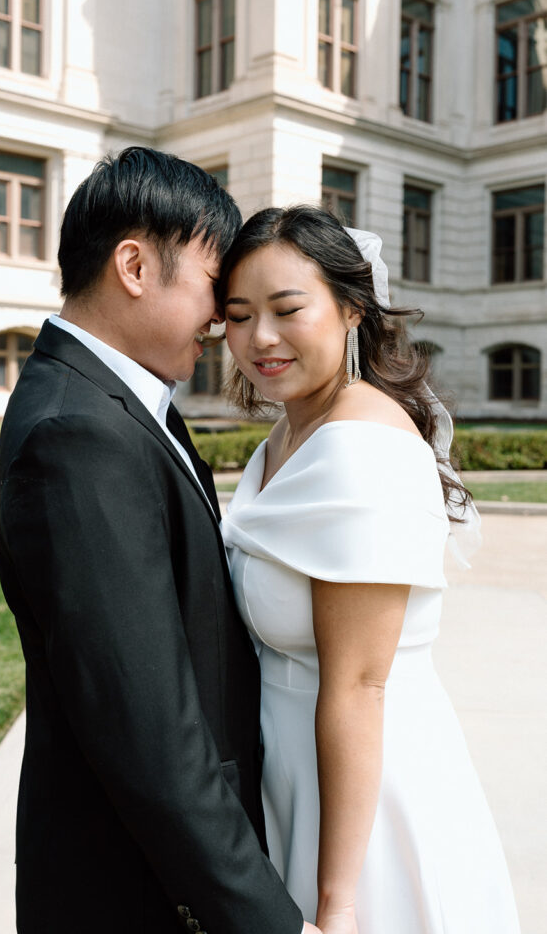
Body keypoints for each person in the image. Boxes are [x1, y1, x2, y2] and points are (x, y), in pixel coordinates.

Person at [0, 148, 316, 934]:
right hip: (135, 890)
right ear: (134, 265)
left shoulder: (125, 402)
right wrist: (268, 922)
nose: (221, 317)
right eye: (214, 283)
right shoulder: (78, 432)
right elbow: (149, 734)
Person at [219, 205, 521, 934]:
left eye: (288, 309)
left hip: (363, 803)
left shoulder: (362, 446)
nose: (260, 338)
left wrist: (339, 901)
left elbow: (359, 684)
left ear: (353, 309)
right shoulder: (292, 433)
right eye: (237, 314)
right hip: (298, 771)